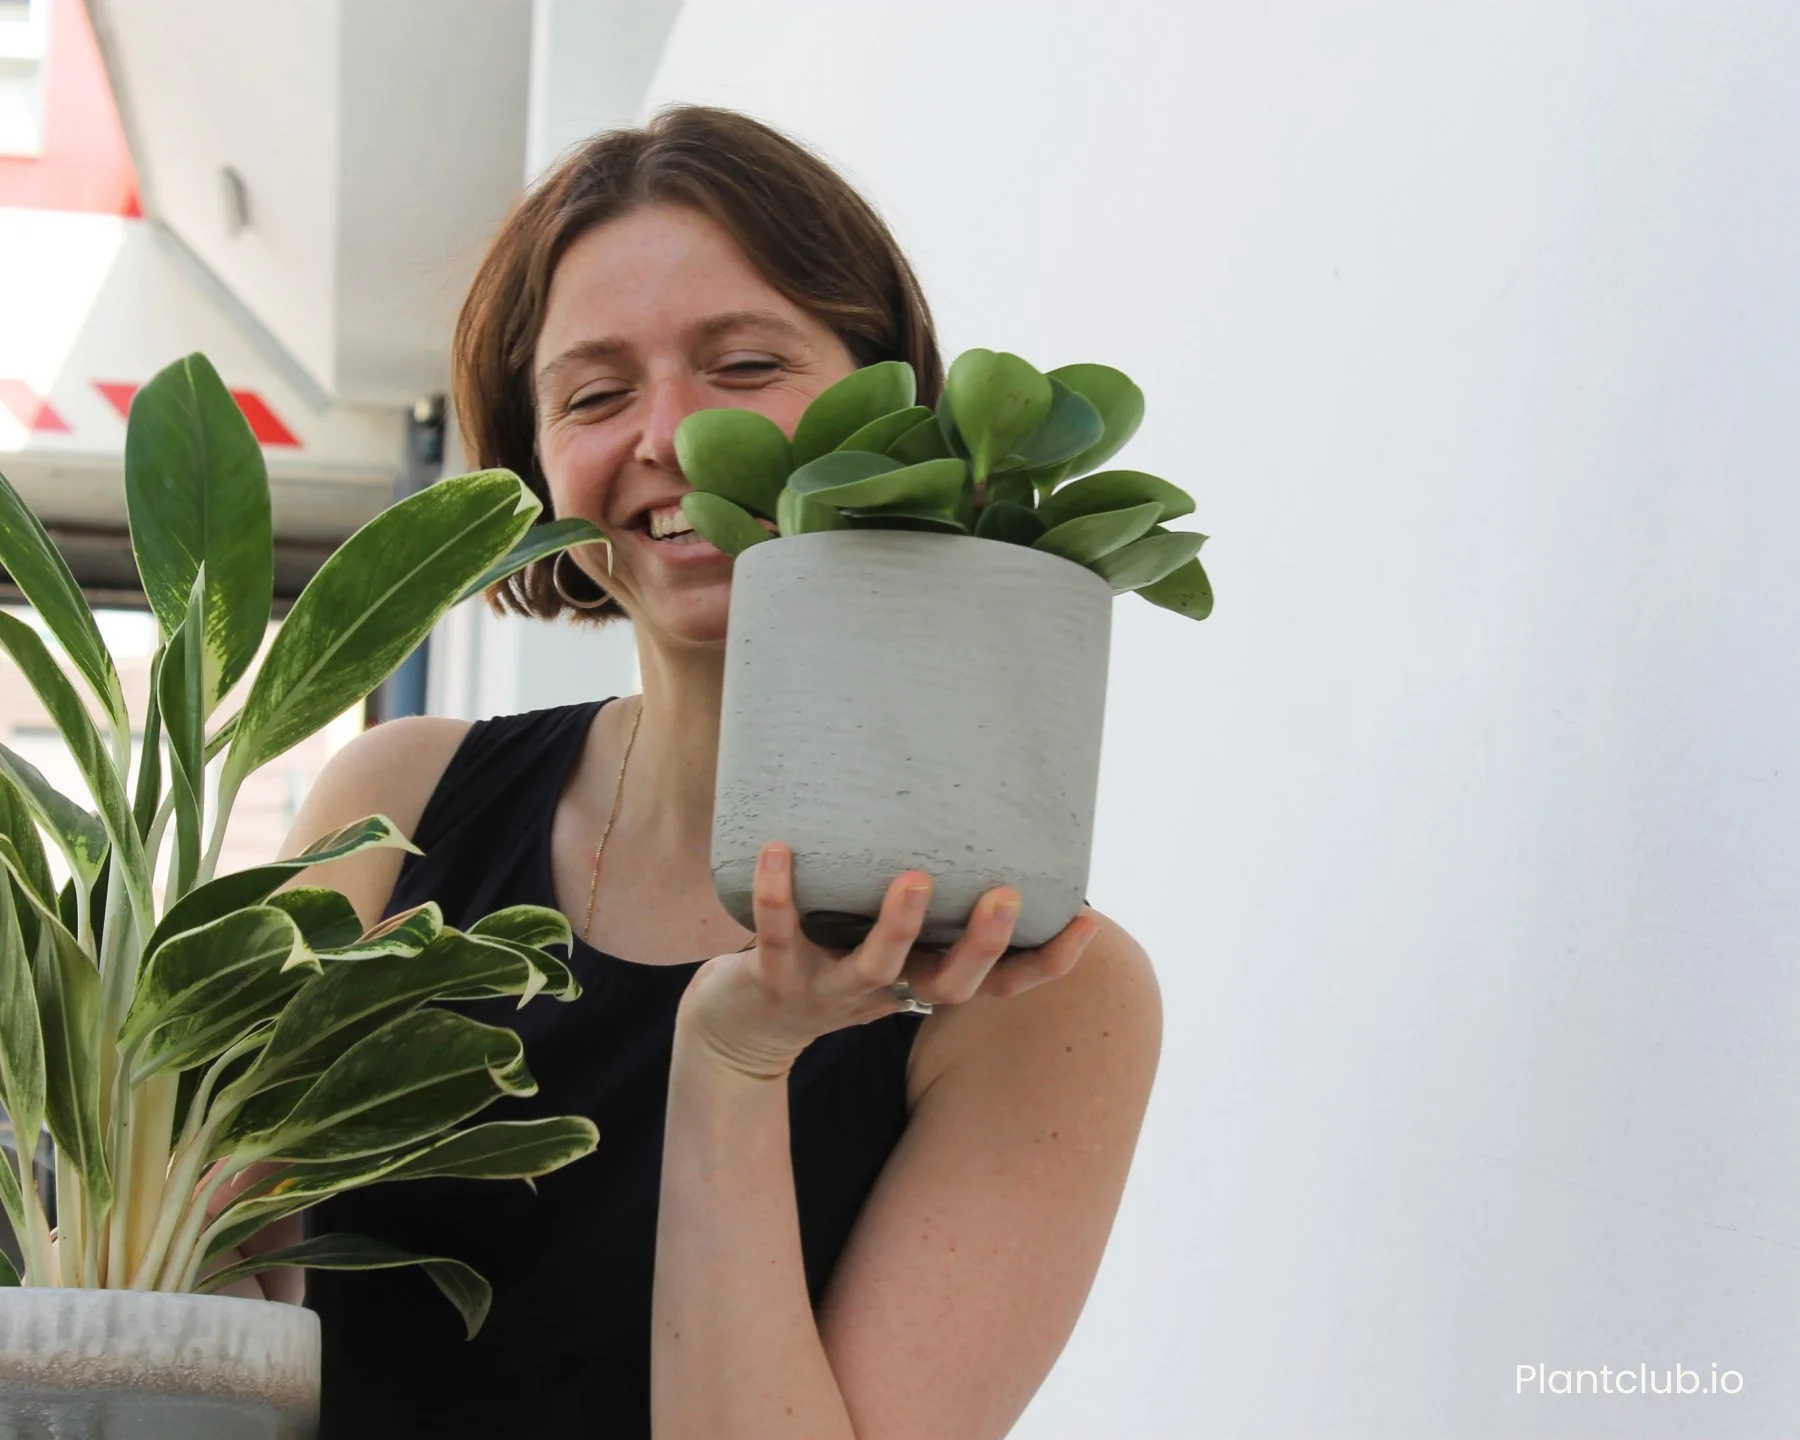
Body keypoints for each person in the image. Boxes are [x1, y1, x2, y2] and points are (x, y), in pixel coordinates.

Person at [253, 105, 1162, 1438]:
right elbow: (211, 1308)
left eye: (744, 365)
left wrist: (734, 1065)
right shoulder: (392, 806)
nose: (669, 436)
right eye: (596, 393)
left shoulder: (1037, 986)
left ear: (898, 408)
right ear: (534, 464)